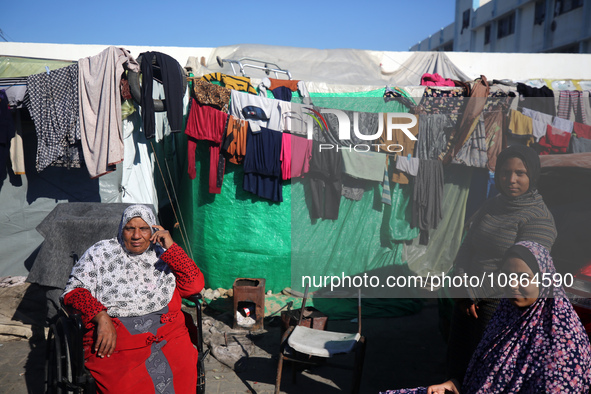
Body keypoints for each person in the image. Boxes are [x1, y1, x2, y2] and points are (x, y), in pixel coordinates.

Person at [382, 241, 591, 393]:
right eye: (507, 277)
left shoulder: (562, 343)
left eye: (523, 278)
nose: (513, 286)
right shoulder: (507, 316)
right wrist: (456, 384)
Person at [61, 204, 205, 393]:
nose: (137, 236)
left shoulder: (163, 254)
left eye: (144, 228)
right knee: (124, 384)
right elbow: (73, 291)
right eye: (130, 228)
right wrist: (100, 316)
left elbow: (194, 286)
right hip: (118, 336)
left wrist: (171, 246)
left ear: (154, 229)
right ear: (122, 229)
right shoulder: (101, 253)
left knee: (182, 370)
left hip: (167, 333)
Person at [446, 144, 557, 382]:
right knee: (457, 367)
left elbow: (520, 273)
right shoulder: (494, 204)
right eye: (505, 172)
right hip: (467, 298)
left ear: (533, 175)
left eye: (520, 173)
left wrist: (473, 293)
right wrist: (460, 284)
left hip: (499, 305)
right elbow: (468, 246)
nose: (511, 179)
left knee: (486, 373)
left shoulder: (538, 218)